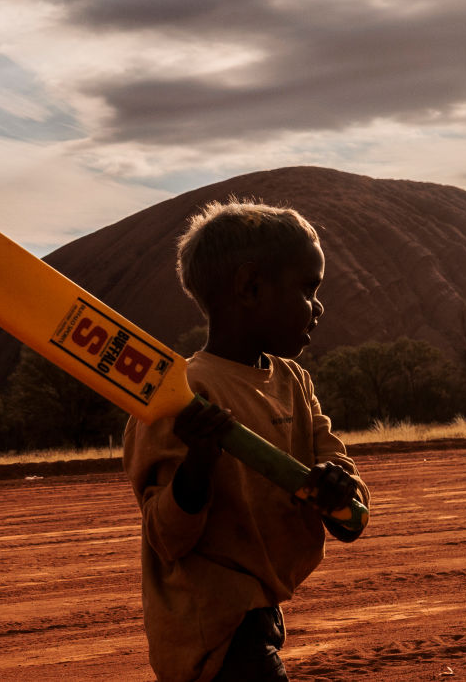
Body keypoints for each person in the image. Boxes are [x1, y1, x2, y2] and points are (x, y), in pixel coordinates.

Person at [123, 199, 371, 681]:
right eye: (307, 288)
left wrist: (339, 492)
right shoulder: (184, 394)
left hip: (259, 612)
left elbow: (352, 515)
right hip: (210, 628)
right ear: (250, 287)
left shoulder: (294, 383)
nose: (318, 306)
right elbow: (166, 538)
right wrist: (198, 461)